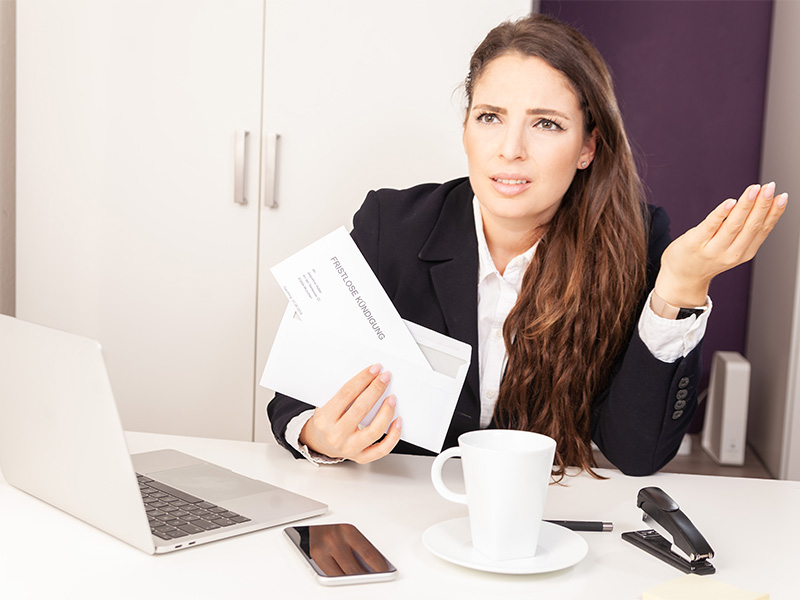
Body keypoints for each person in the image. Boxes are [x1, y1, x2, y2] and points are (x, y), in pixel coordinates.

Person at [267, 14, 787, 477]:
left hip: (538, 528)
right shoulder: (391, 225)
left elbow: (636, 453)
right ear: (467, 128)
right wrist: (319, 435)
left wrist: (682, 286)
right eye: (490, 117)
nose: (510, 150)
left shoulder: (635, 241)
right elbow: (292, 401)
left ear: (587, 146)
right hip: (402, 518)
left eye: (545, 124)